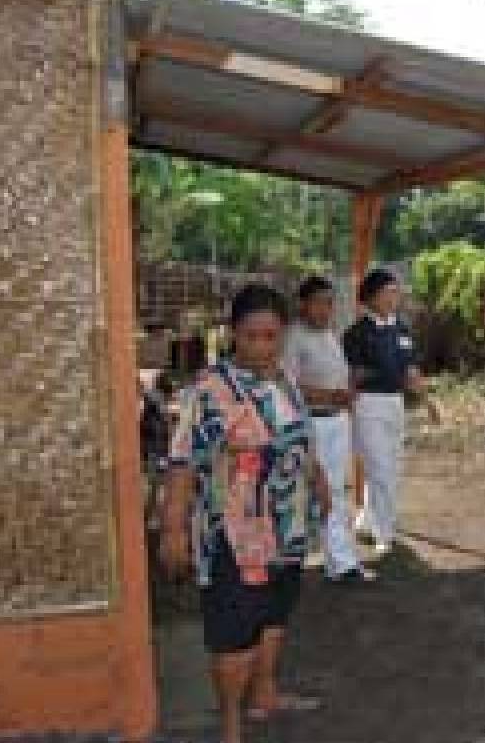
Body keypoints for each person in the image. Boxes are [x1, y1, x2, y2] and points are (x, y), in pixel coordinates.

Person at [161, 284, 330, 743]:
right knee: (234, 630)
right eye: (251, 336)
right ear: (234, 334)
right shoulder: (209, 390)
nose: (261, 346)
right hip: (234, 536)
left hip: (288, 525)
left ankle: (265, 694)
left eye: (271, 336)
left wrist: (320, 485)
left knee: (276, 612)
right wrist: (173, 528)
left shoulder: (285, 380)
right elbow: (181, 462)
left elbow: (299, 440)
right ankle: (231, 728)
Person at [283, 275, 372, 583]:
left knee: (336, 490)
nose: (326, 309)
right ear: (302, 304)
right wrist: (329, 396)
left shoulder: (330, 335)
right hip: (312, 424)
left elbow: (340, 374)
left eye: (330, 303)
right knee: (315, 490)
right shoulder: (293, 337)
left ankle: (341, 561)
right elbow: (287, 385)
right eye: (320, 302)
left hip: (337, 420)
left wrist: (348, 391)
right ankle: (325, 562)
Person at [343, 269, 434, 554]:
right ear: (371, 297)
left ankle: (368, 518)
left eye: (396, 291)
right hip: (368, 405)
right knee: (379, 467)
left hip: (395, 402)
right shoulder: (356, 334)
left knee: (390, 465)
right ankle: (385, 532)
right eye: (389, 292)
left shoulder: (401, 328)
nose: (395, 297)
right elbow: (352, 375)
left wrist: (429, 401)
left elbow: (410, 369)